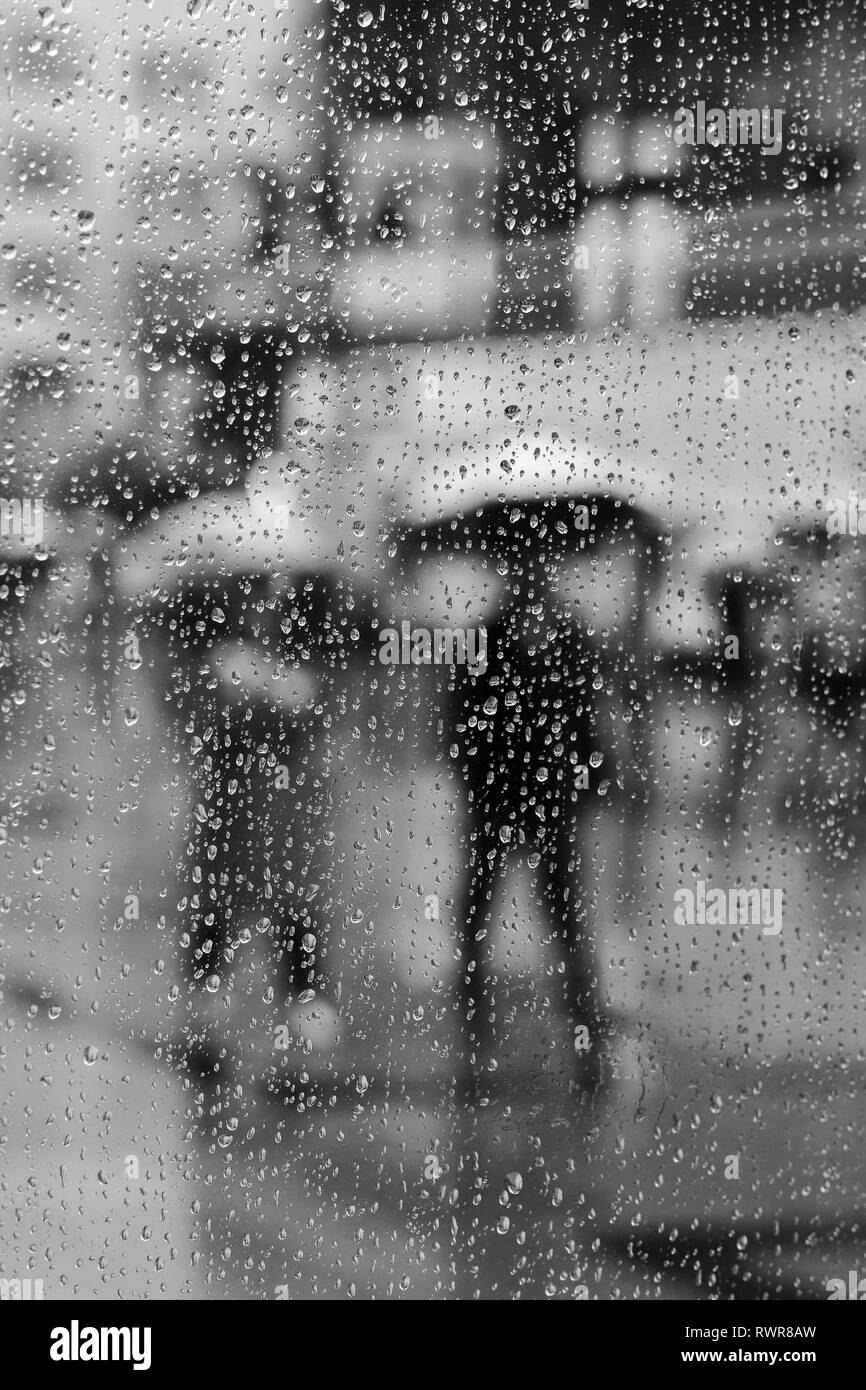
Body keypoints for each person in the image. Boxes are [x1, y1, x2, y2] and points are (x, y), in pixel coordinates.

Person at [398, 493, 664, 1095]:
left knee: (557, 919)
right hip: (503, 799)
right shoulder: (494, 636)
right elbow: (462, 721)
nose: (535, 574)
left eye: (541, 563)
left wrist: (589, 781)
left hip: (543, 803)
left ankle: (571, 1030)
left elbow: (582, 722)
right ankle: (482, 1029)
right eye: (527, 563)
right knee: (487, 915)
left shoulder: (560, 634)